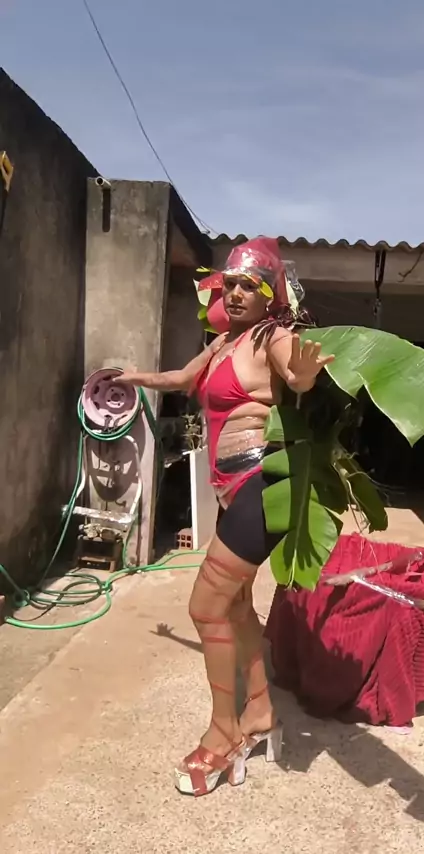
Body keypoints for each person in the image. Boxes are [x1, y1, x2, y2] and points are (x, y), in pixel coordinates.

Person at [119, 237, 334, 796]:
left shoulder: (271, 337)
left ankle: (224, 733)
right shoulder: (221, 343)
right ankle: (260, 711)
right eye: (230, 284)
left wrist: (304, 377)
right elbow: (182, 379)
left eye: (248, 286)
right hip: (229, 493)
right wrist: (135, 377)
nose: (236, 293)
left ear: (269, 296)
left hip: (260, 487)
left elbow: (295, 373)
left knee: (206, 606)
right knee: (235, 608)